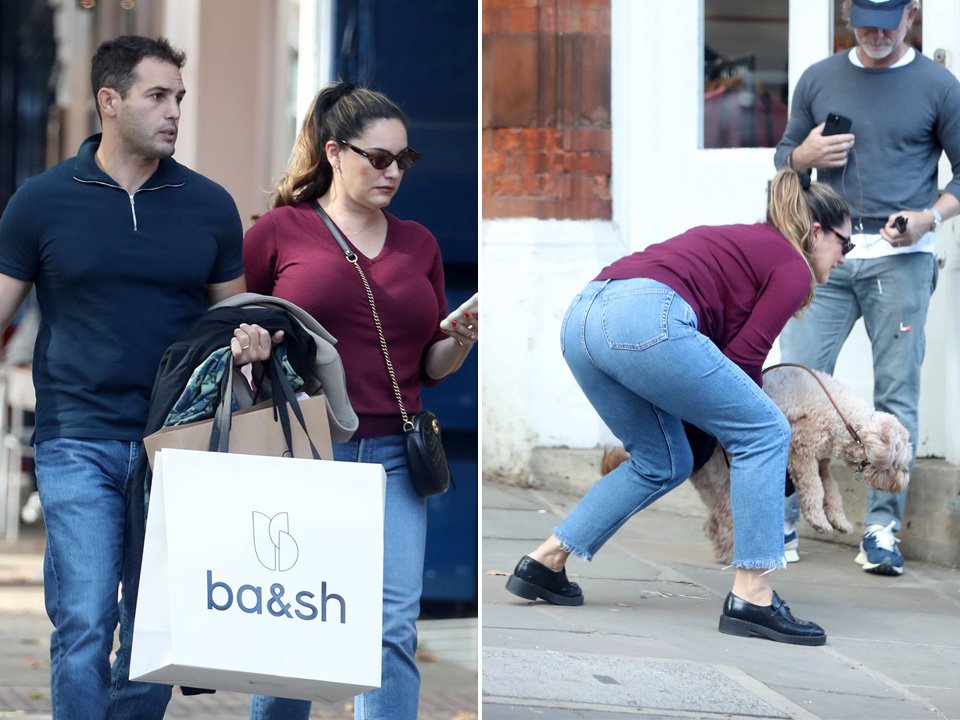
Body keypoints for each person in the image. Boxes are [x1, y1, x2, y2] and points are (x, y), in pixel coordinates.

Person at [0, 36, 275, 719]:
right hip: (77, 438)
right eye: (157, 95)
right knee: (86, 620)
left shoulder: (209, 206)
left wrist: (250, 344)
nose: (173, 110)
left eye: (178, 97)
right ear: (109, 100)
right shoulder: (40, 204)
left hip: (176, 447)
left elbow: (230, 322)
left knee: (154, 632)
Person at [505, 168, 850, 646]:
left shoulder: (746, 242)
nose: (843, 259)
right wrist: (752, 448)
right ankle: (753, 594)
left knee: (661, 461)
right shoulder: (793, 265)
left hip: (583, 316)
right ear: (816, 232)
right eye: (844, 245)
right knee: (766, 430)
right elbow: (744, 361)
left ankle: (545, 562)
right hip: (646, 317)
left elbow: (717, 370)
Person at [244, 82, 478, 720]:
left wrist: (458, 340)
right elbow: (234, 330)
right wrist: (249, 346)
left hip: (395, 458)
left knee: (390, 628)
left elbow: (426, 364)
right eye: (379, 158)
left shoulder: (420, 244)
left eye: (405, 159)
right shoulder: (276, 232)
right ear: (334, 153)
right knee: (295, 628)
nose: (394, 172)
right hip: (303, 450)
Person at [772, 0, 960, 575]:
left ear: (913, 15)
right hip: (826, 253)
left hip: (901, 257)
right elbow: (784, 162)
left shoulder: (937, 85)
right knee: (790, 388)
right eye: (864, 23)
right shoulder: (819, 77)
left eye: (888, 22)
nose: (876, 34)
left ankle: (882, 527)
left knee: (895, 392)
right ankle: (776, 519)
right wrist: (803, 156)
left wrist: (931, 216)